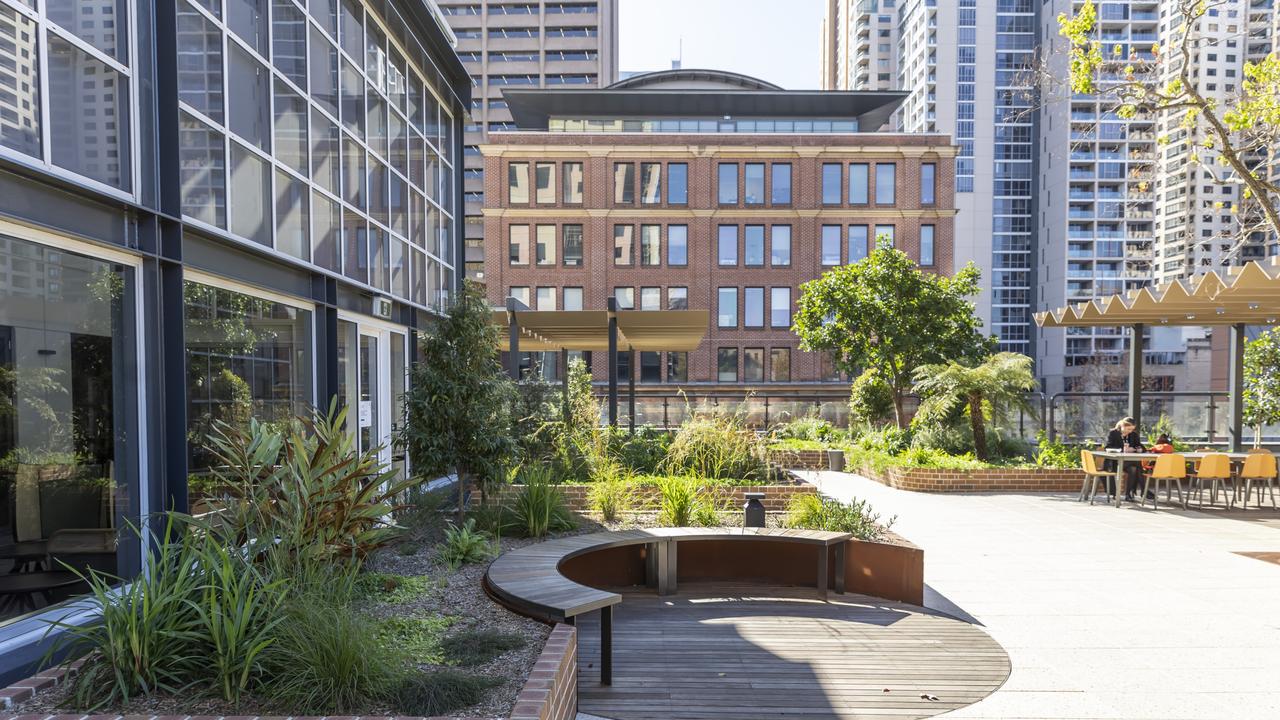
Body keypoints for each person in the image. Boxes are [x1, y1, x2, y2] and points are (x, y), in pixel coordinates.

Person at [1104, 417, 1145, 501]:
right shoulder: (1113, 433)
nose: (1130, 431)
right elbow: (1108, 447)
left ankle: (1128, 494)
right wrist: (1122, 449)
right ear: (1122, 426)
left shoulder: (1133, 434)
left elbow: (1142, 447)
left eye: (1132, 429)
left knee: (1133, 468)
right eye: (1128, 429)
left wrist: (1139, 449)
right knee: (1137, 465)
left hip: (1128, 462)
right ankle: (1143, 489)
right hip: (1115, 462)